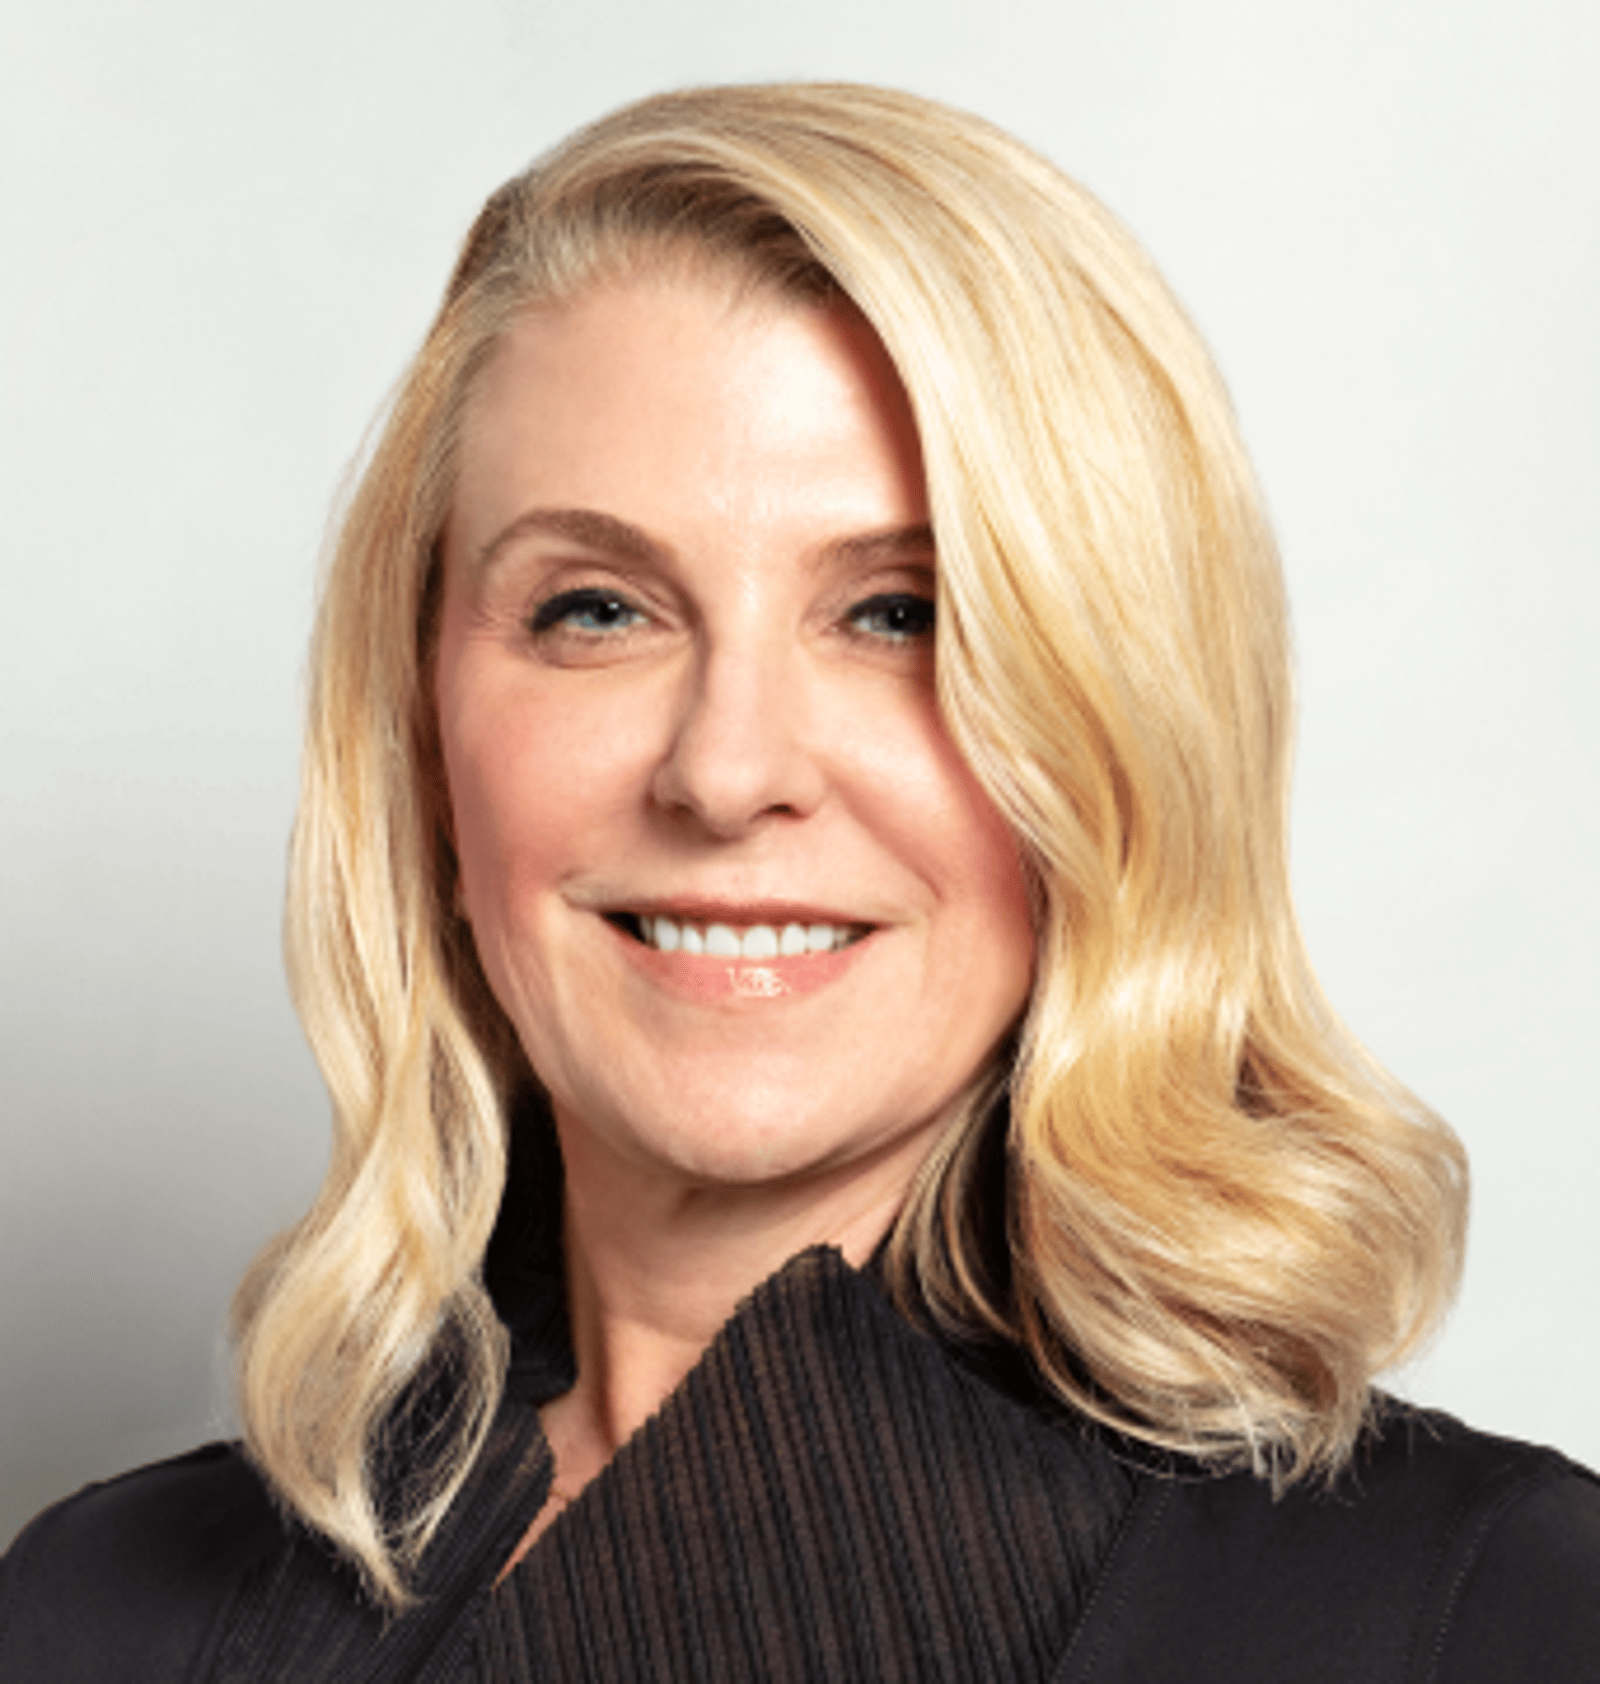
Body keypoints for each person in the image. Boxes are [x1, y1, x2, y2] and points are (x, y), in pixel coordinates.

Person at [3, 82, 1597, 1682]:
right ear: (424, 733)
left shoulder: (1479, 1615)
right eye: (597, 609)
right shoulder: (99, 1613)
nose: (725, 769)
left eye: (900, 615)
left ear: (1124, 745)